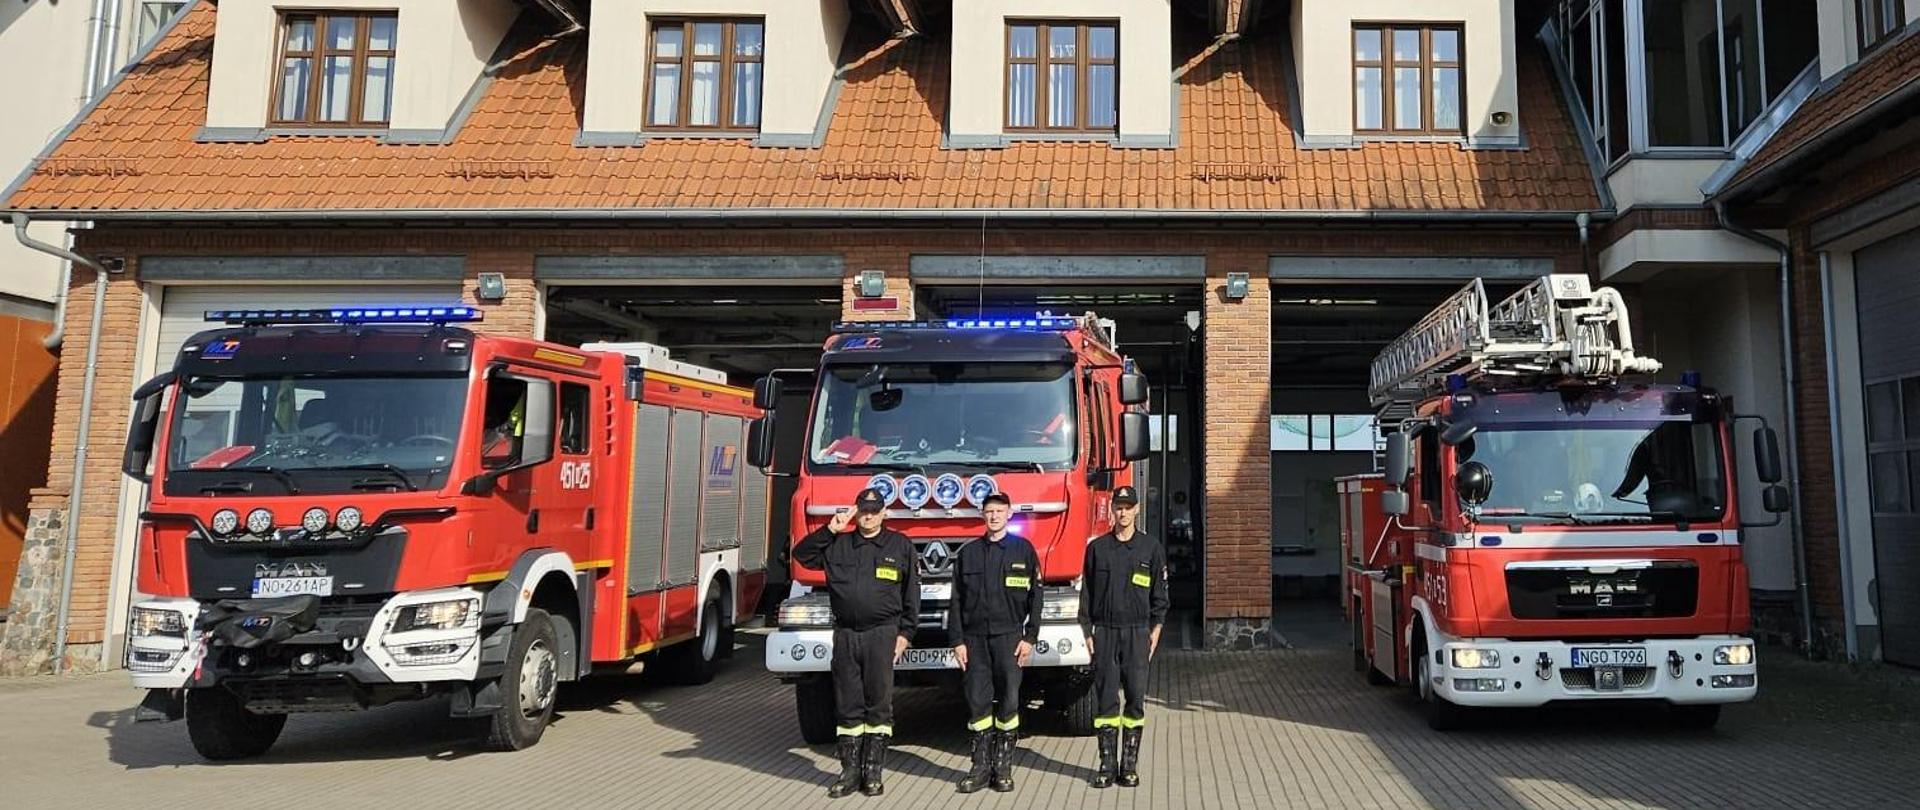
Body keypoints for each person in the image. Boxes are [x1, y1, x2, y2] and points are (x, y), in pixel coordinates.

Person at [792, 488, 920, 799]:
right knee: (848, 705)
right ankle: (849, 773)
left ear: (884, 512)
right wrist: (831, 528)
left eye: (875, 510)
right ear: (856, 511)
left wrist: (906, 634)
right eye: (863, 509)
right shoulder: (839, 545)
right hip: (847, 634)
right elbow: (802, 556)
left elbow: (911, 595)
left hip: (883, 634)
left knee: (878, 704)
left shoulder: (899, 545)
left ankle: (873, 772)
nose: (869, 515)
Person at [949, 493, 1043, 794]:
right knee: (977, 703)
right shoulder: (969, 553)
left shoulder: (1023, 550)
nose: (993, 517)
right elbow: (956, 601)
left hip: (1010, 638)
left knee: (1009, 702)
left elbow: (1036, 599)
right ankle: (978, 768)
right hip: (975, 640)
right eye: (989, 511)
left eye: (999, 511)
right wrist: (958, 641)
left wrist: (1030, 637)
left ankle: (1002, 768)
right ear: (982, 515)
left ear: (1009, 513)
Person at [1077, 486, 1169, 789]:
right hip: (1105, 632)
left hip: (1137, 633)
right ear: (1112, 510)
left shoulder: (1150, 548)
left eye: (1128, 507)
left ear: (1137, 510)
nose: (1123, 512)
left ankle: (1128, 765)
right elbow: (1086, 594)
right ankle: (1106, 764)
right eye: (1119, 507)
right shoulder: (1097, 549)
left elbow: (1160, 596)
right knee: (1105, 701)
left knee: (1135, 700)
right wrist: (1087, 630)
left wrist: (1154, 632)